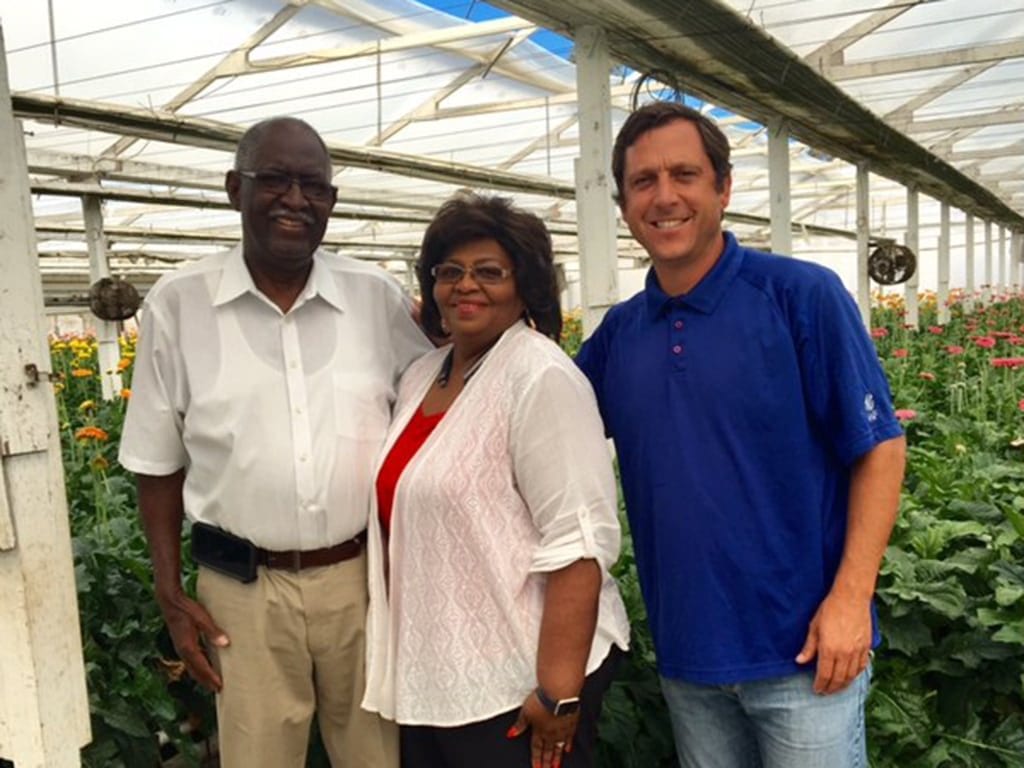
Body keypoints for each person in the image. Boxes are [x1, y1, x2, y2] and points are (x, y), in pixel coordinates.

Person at [575, 101, 906, 768]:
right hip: (689, 658)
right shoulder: (618, 336)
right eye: (643, 181)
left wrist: (850, 600)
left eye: (684, 175)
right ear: (623, 203)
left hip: (807, 655)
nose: (664, 197)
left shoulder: (799, 297)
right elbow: (541, 435)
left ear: (723, 190)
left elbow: (880, 449)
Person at [118, 116, 430, 768]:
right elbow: (156, 464)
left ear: (332, 202)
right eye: (276, 180)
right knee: (259, 756)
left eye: (313, 185)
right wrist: (171, 595)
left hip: (361, 580)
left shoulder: (376, 300)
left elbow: (444, 399)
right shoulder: (179, 306)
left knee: (378, 756)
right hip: (240, 591)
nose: (296, 199)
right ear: (235, 189)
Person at [362, 192, 630, 768]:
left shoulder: (539, 378)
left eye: (489, 272)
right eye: (450, 271)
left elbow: (579, 541)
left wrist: (558, 692)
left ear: (525, 287)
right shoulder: (422, 377)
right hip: (439, 676)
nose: (466, 286)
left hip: (517, 680)